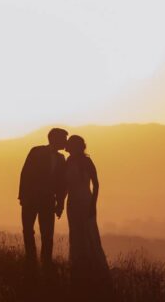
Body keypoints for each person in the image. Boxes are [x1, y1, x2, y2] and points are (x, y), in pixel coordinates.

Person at [64, 134, 111, 296]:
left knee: (89, 232)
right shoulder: (68, 161)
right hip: (72, 202)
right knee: (76, 233)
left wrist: (93, 204)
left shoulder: (87, 161)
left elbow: (96, 184)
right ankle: (78, 263)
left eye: (70, 144)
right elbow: (64, 185)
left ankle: (94, 265)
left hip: (85, 200)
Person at [18, 127, 68, 269]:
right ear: (55, 139)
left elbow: (62, 184)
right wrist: (23, 196)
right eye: (63, 139)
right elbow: (25, 174)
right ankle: (31, 260)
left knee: (47, 234)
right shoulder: (36, 151)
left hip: (48, 201)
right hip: (30, 199)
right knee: (28, 230)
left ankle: (46, 261)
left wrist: (60, 204)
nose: (65, 142)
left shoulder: (61, 158)